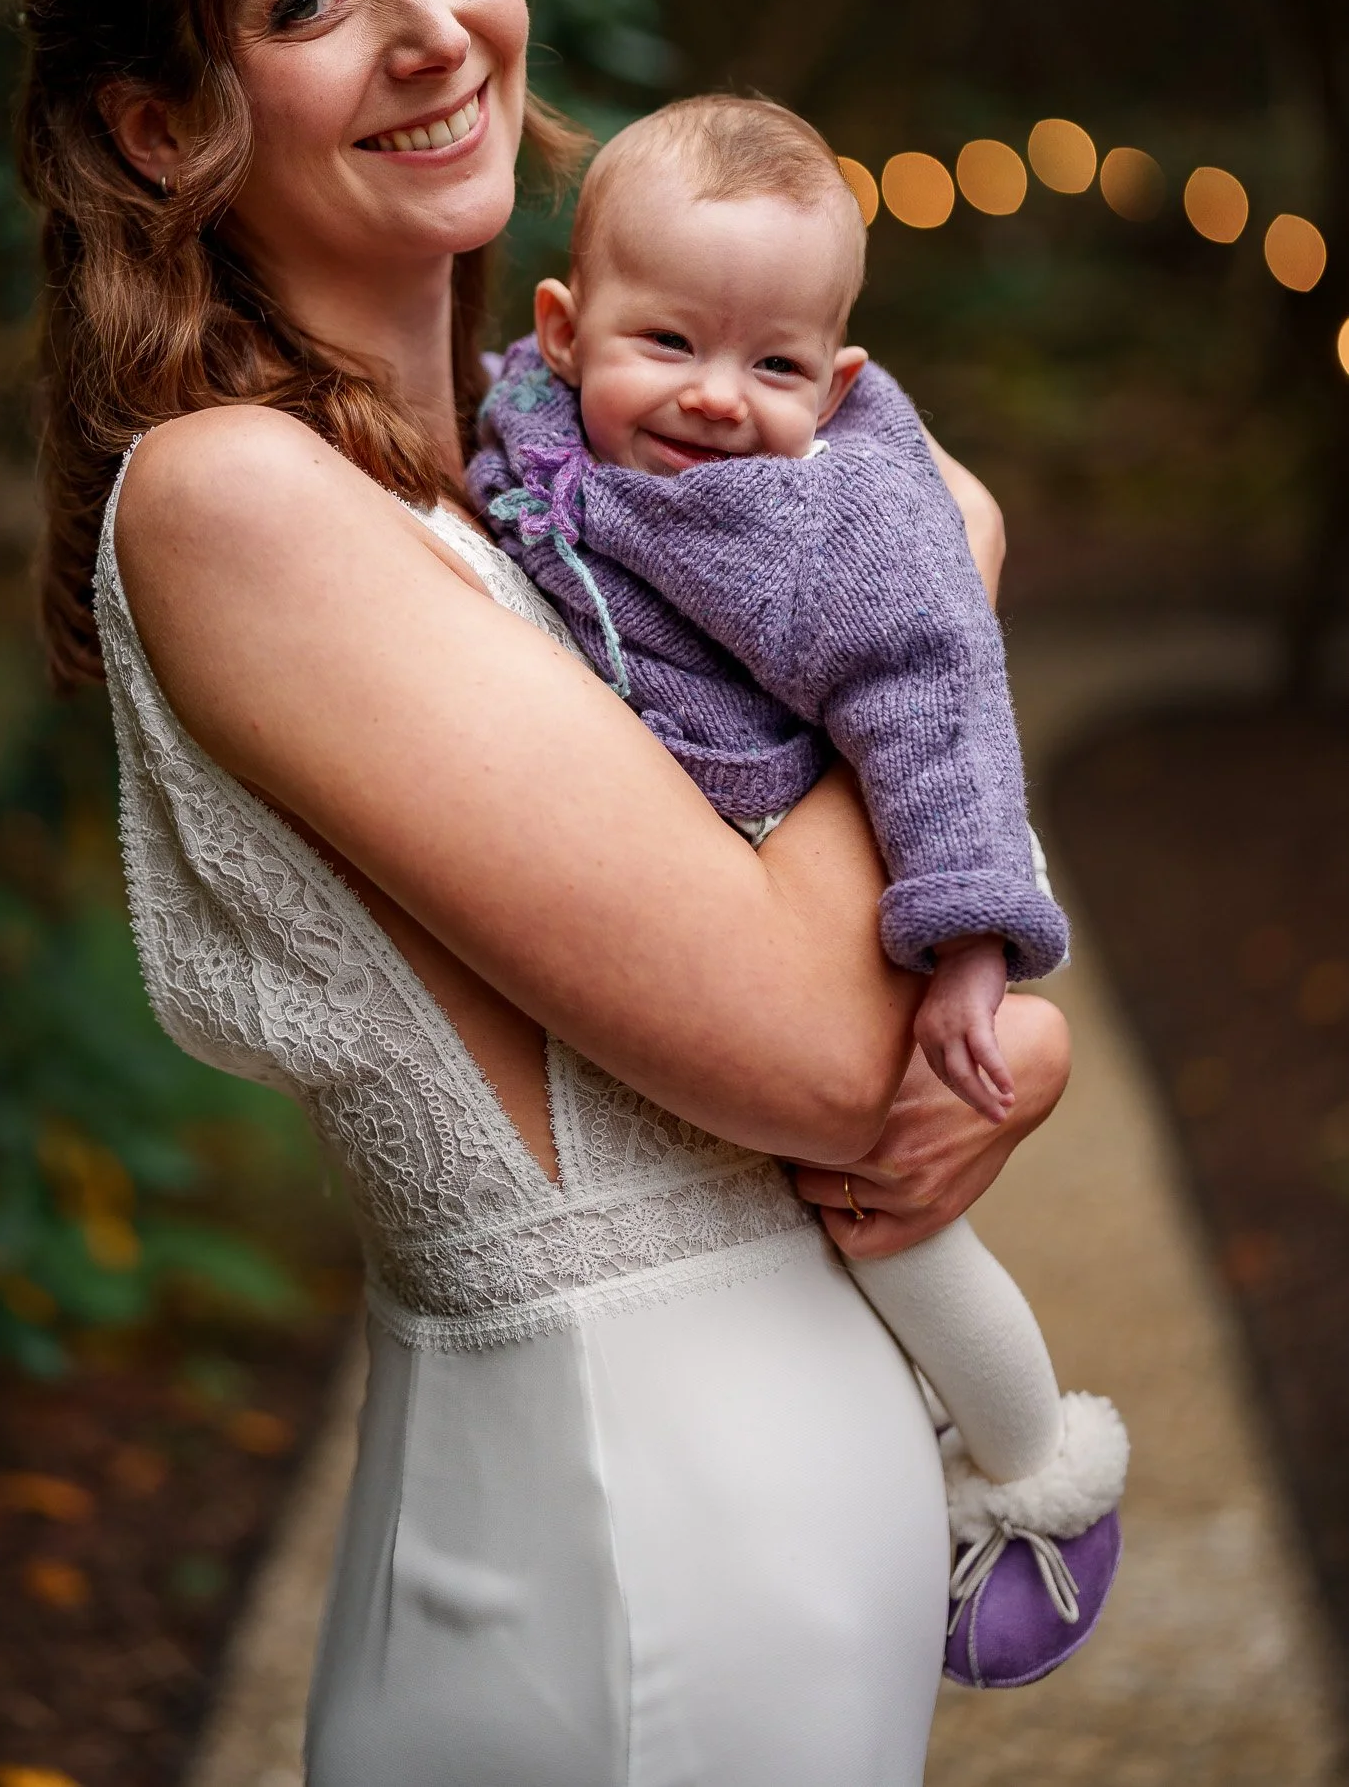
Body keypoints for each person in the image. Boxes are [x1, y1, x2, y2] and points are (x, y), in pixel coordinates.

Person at [6, 0, 1072, 1784]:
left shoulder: (523, 482)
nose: (428, 25)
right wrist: (935, 564)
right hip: (617, 1523)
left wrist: (999, 1046)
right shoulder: (240, 495)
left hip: (755, 1497)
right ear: (157, 127)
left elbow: (782, 938)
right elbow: (788, 1037)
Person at [470, 96, 1127, 1684]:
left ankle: (1033, 1471)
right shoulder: (520, 430)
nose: (713, 399)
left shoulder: (820, 523)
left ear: (834, 386)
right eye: (670, 342)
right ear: (560, 331)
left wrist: (966, 947)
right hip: (705, 879)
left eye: (773, 368)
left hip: (890, 864)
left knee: (882, 1216)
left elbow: (931, 694)